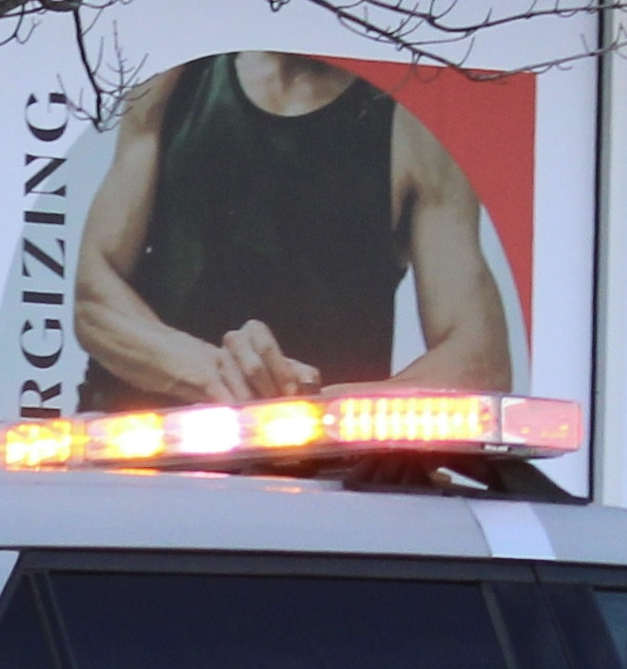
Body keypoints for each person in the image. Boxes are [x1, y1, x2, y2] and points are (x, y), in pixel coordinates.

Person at [71, 53, 511, 413]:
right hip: (141, 454)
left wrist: (310, 413)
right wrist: (214, 373)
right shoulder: (176, 79)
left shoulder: (416, 125)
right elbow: (95, 297)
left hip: (310, 475)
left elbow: (480, 363)